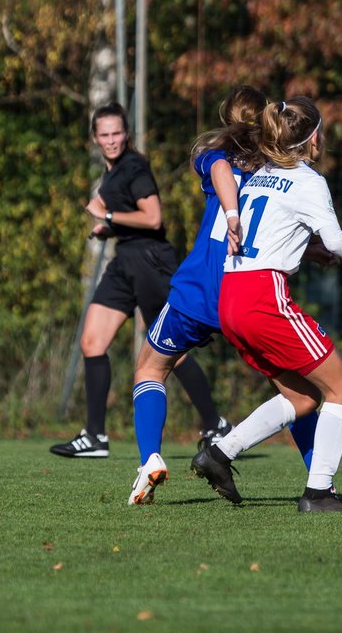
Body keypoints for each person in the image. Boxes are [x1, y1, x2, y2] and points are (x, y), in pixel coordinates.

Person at [190, 96, 342, 513]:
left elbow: (272, 232)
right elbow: (336, 239)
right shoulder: (308, 180)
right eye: (322, 132)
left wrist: (304, 248)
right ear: (313, 139)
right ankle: (319, 494)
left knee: (304, 397)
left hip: (231, 296)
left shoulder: (259, 175)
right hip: (263, 296)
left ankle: (219, 454)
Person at [129, 86, 320, 504]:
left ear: (224, 115)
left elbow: (219, 172)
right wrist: (319, 250)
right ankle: (321, 481)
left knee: (150, 368)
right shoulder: (274, 169)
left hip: (200, 291)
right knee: (294, 392)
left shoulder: (211, 152)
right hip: (247, 294)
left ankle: (151, 460)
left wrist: (230, 213)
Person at [50, 101, 227, 460]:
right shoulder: (112, 172)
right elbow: (129, 218)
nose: (112, 140)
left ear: (126, 134)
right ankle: (95, 436)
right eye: (105, 134)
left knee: (169, 352)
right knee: (91, 341)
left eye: (117, 133)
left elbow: (153, 218)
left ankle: (215, 424)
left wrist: (108, 213)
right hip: (124, 261)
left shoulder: (135, 166)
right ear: (95, 139)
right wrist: (108, 227)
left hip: (150, 262)